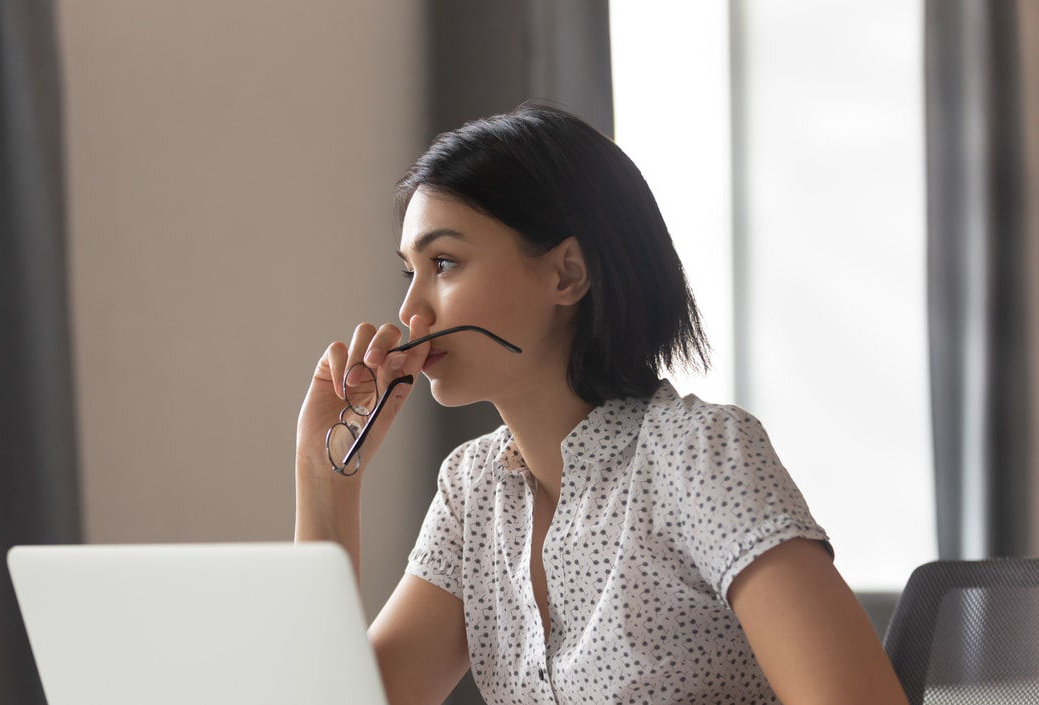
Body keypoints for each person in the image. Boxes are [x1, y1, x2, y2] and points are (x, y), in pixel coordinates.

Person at [293, 102, 908, 705]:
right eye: (411, 271)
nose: (411, 313)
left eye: (445, 263)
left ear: (567, 274)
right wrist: (325, 477)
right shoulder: (473, 492)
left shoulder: (698, 457)